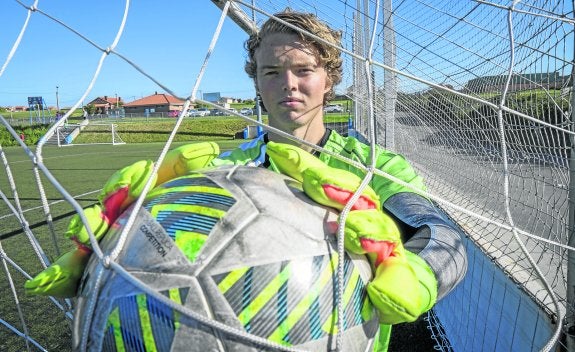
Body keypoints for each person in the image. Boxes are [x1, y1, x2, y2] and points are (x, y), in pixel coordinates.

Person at [209, 9, 468, 351]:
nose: (289, 83)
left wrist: (416, 277)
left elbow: (442, 235)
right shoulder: (222, 171)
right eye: (272, 71)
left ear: (328, 79)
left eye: (304, 70)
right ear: (256, 80)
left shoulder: (375, 167)